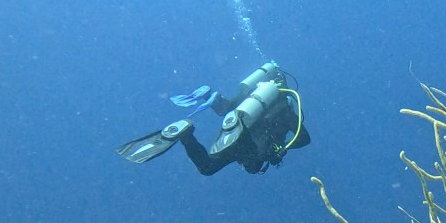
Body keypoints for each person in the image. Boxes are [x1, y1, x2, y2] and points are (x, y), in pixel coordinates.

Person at [117, 62, 310, 175]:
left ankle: (202, 108)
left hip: (238, 127)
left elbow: (229, 108)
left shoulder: (252, 99)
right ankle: (191, 135)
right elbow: (304, 138)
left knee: (208, 166)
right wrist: (282, 150)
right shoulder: (287, 112)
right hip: (247, 142)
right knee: (215, 166)